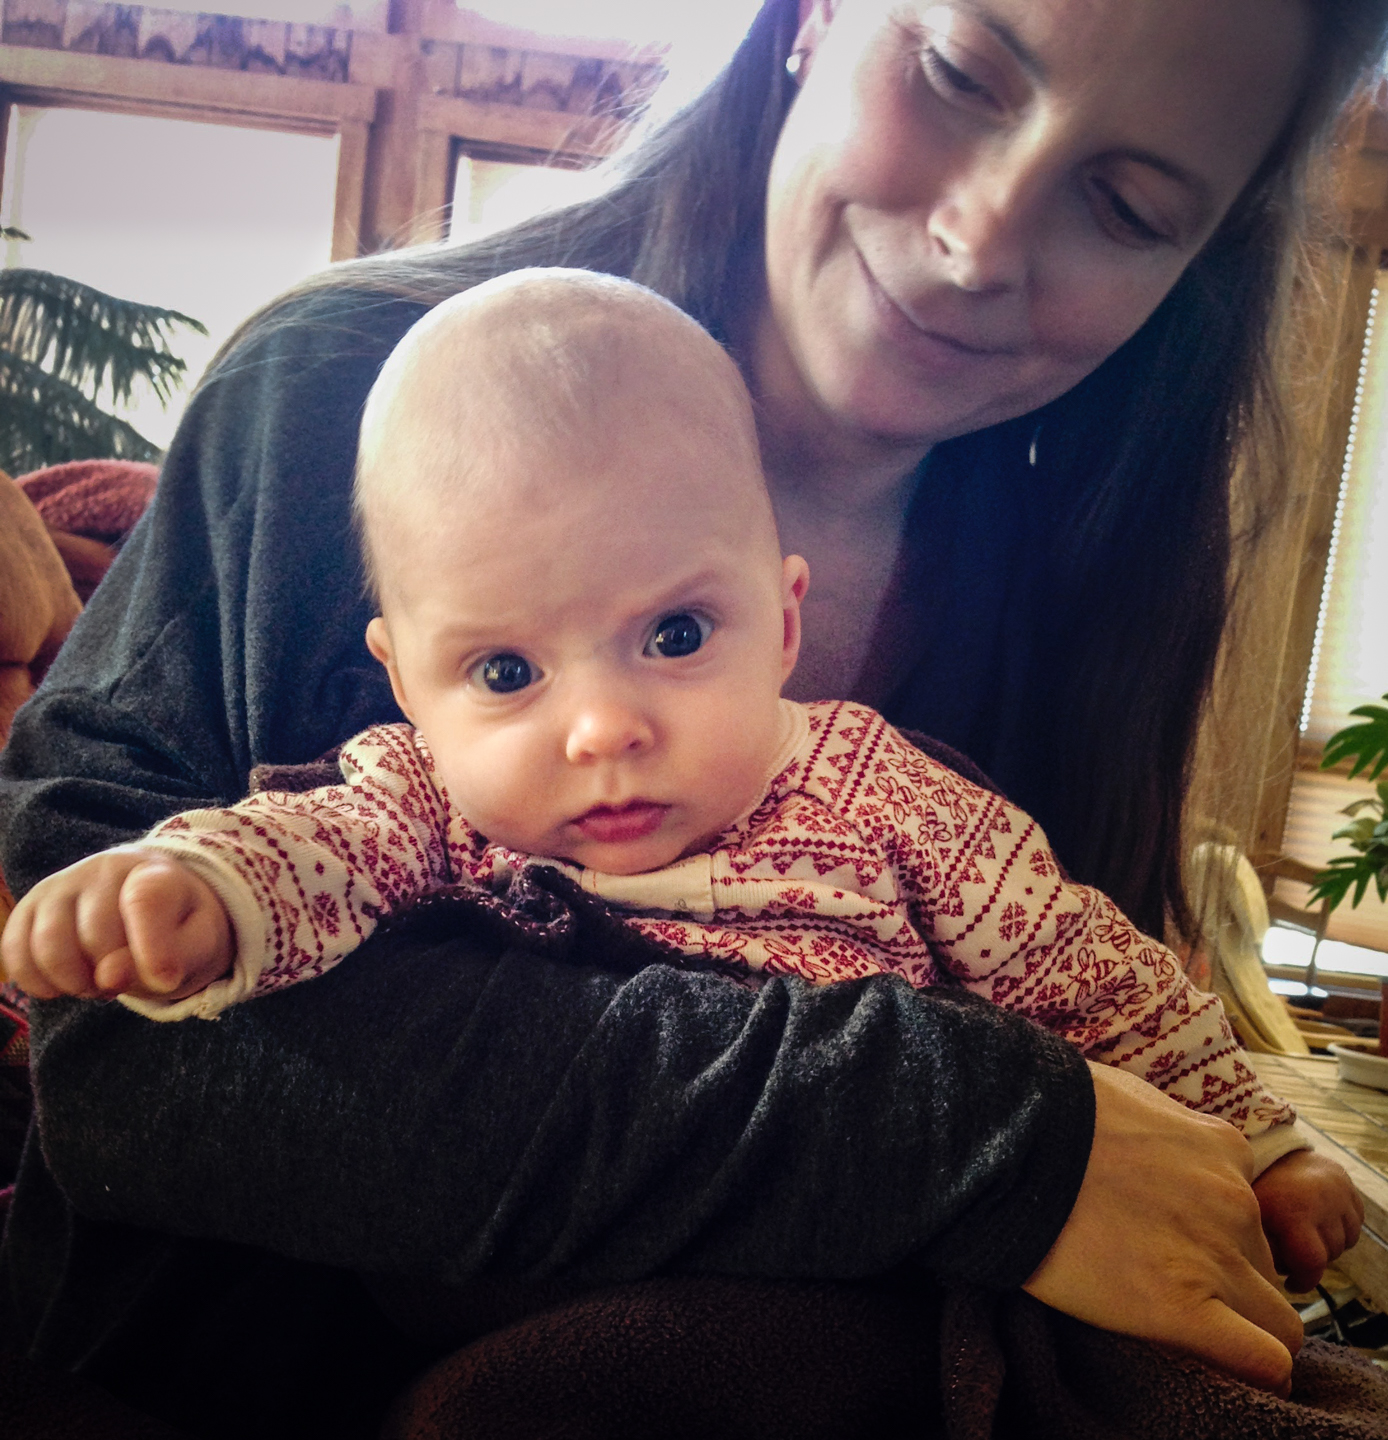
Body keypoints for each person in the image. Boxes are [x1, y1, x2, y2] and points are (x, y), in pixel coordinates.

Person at [2, 0, 1386, 1431]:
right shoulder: (344, 407)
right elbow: (125, 1047)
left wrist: (1248, 1137)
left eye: (1128, 205)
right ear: (817, 17)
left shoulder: (1059, 607)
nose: (980, 240)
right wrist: (966, 1137)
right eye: (958, 72)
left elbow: (1084, 972)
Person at [3, 270, 1358, 1292]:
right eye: (506, 671)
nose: (603, 728)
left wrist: (1258, 1138)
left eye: (674, 636)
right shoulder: (419, 801)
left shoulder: (883, 797)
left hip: (870, 1287)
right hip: (551, 1293)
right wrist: (190, 892)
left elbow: (1086, 969)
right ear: (405, 684)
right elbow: (307, 856)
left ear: (784, 622)